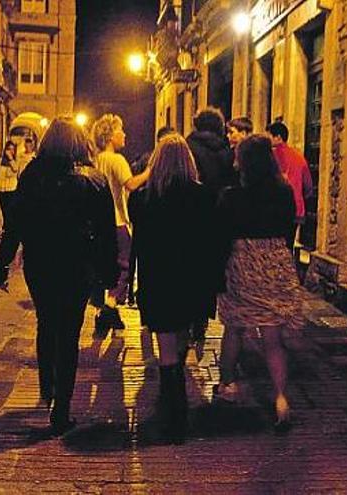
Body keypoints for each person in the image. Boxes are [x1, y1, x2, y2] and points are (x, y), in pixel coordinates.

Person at [0, 116, 119, 435]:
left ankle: (46, 389)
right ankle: (61, 408)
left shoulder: (32, 175)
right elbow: (106, 232)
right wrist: (109, 271)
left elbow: (15, 223)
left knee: (46, 322)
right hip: (78, 267)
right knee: (70, 333)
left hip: (41, 263)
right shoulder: (95, 180)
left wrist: (3, 261)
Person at [215, 134, 311, 433]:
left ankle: (228, 384)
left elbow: (221, 235)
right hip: (275, 263)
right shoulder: (283, 192)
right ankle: (281, 398)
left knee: (235, 329)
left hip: (243, 264)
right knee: (273, 339)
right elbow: (287, 227)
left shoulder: (231, 196)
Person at [129, 134, 216, 443]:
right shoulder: (203, 196)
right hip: (192, 282)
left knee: (166, 347)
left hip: (158, 281)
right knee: (182, 341)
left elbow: (140, 242)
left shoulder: (141, 199)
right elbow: (211, 243)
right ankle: (176, 406)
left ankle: (174, 413)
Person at [89, 114, 151, 337]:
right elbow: (131, 184)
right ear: (109, 135)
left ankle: (103, 312)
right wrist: (150, 170)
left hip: (97, 222)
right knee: (124, 267)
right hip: (117, 220)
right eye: (120, 130)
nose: (124, 134)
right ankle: (110, 306)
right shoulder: (117, 160)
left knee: (101, 266)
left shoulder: (96, 160)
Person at [185, 107, 237, 343]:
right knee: (211, 269)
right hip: (219, 218)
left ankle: (188, 314)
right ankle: (202, 319)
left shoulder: (188, 147)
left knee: (190, 266)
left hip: (192, 215)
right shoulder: (227, 151)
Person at [126, 125, 175, 306]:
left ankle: (139, 295)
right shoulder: (149, 161)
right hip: (154, 220)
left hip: (145, 219)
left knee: (141, 258)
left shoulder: (147, 160)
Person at [266, 121, 313, 250]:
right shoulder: (299, 157)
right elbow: (308, 187)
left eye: (269, 136)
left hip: (276, 207)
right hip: (296, 209)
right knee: (289, 244)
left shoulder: (270, 156)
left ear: (278, 137)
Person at [0, 140, 20, 230]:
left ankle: (7, 228)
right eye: (9, 149)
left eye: (12, 149)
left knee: (9, 210)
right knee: (3, 209)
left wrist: (10, 158)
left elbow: (15, 169)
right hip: (1, 188)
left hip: (11, 188)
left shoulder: (16, 160)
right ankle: (6, 227)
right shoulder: (0, 159)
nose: (11, 151)